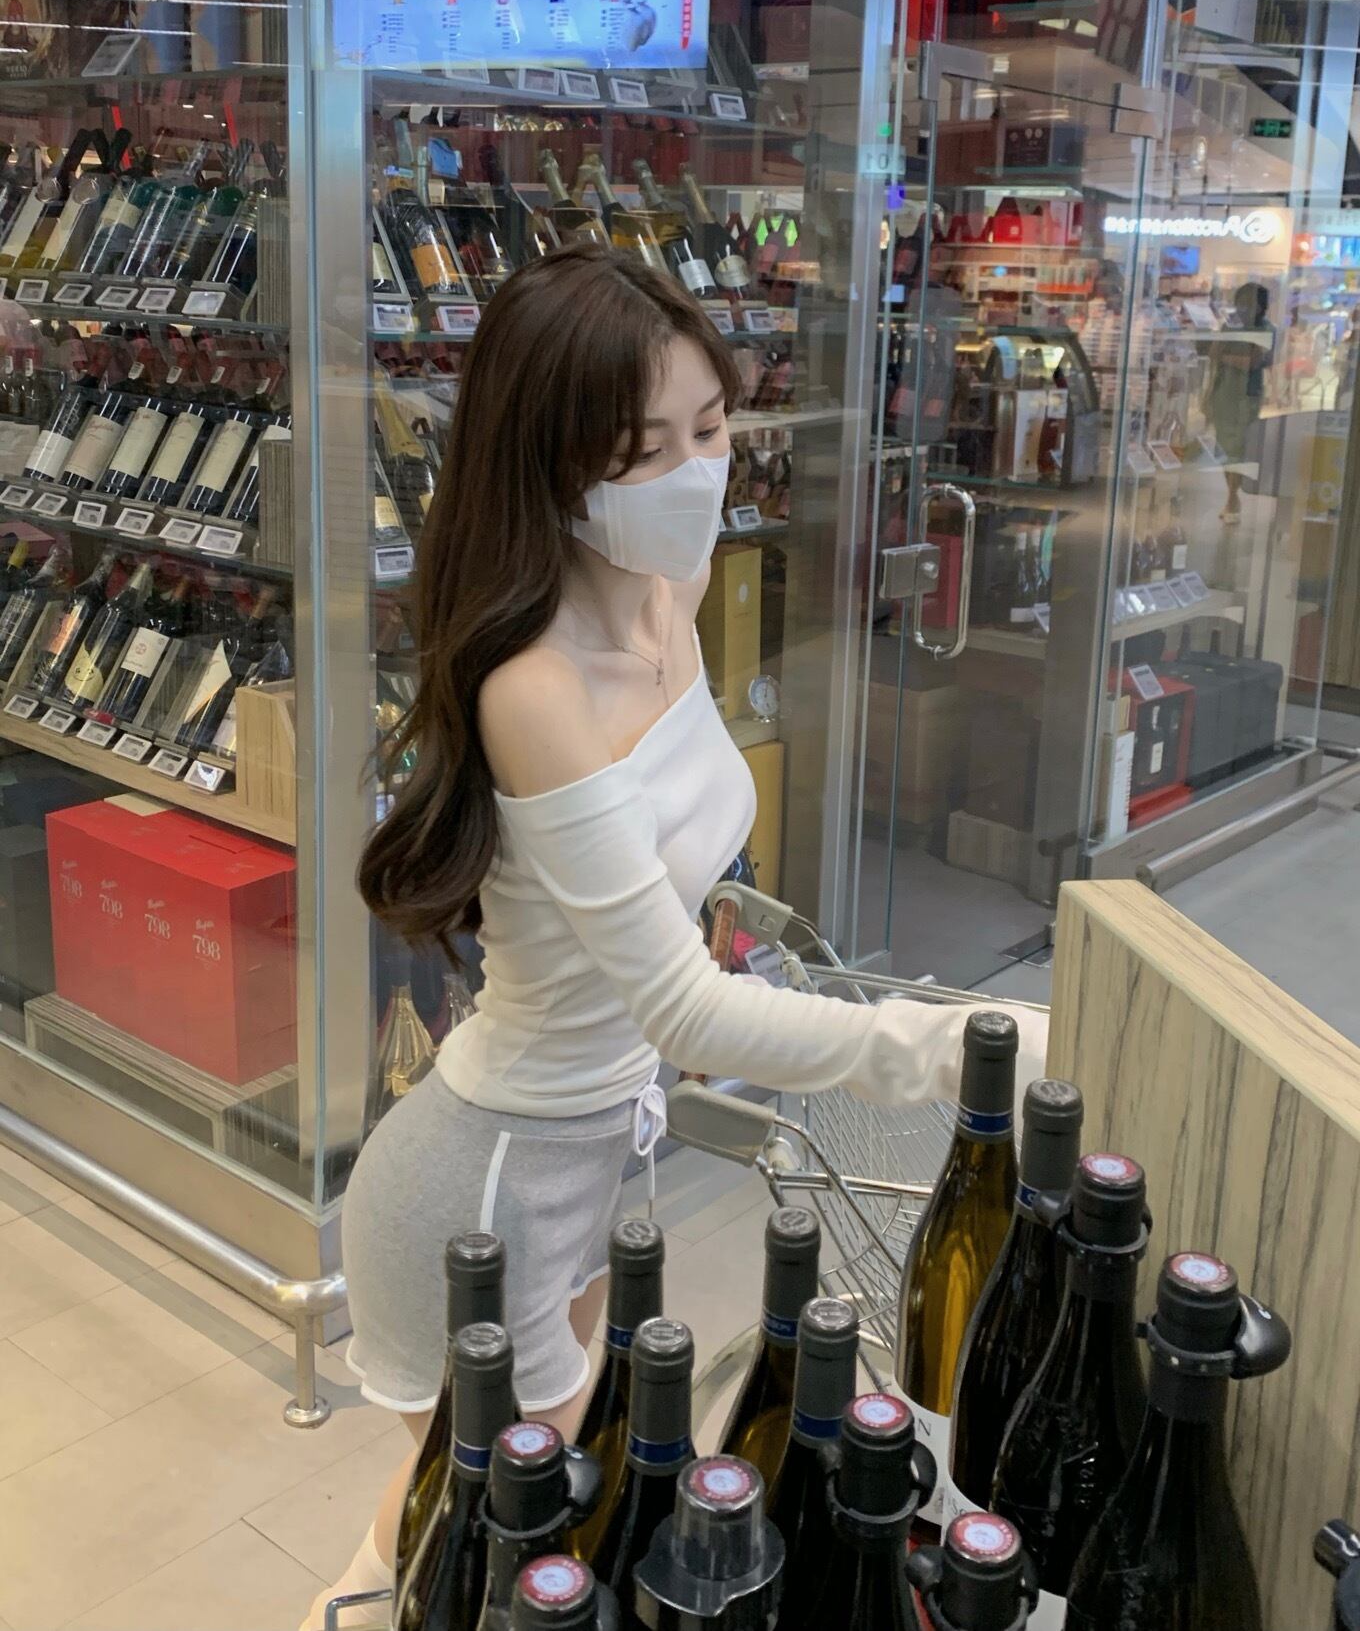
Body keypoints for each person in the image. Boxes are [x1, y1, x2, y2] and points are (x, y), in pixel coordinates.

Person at [304, 242, 1047, 1626]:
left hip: (600, 1147)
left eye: (711, 426)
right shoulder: (533, 685)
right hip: (488, 1182)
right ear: (550, 465)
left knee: (511, 1523)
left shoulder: (671, 594)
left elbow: (670, 859)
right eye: (646, 451)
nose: (698, 473)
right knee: (462, 1557)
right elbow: (687, 1018)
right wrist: (961, 1045)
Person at [1204, 280, 1274, 523]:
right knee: (1225, 448)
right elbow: (1213, 355)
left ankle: (1232, 498)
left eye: (1249, 303)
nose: (1244, 308)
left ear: (1260, 306)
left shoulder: (1266, 329)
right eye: (1241, 302)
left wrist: (1225, 356)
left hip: (1247, 395)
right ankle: (1232, 495)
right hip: (1223, 394)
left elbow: (1251, 362)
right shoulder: (1230, 325)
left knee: (1239, 448)